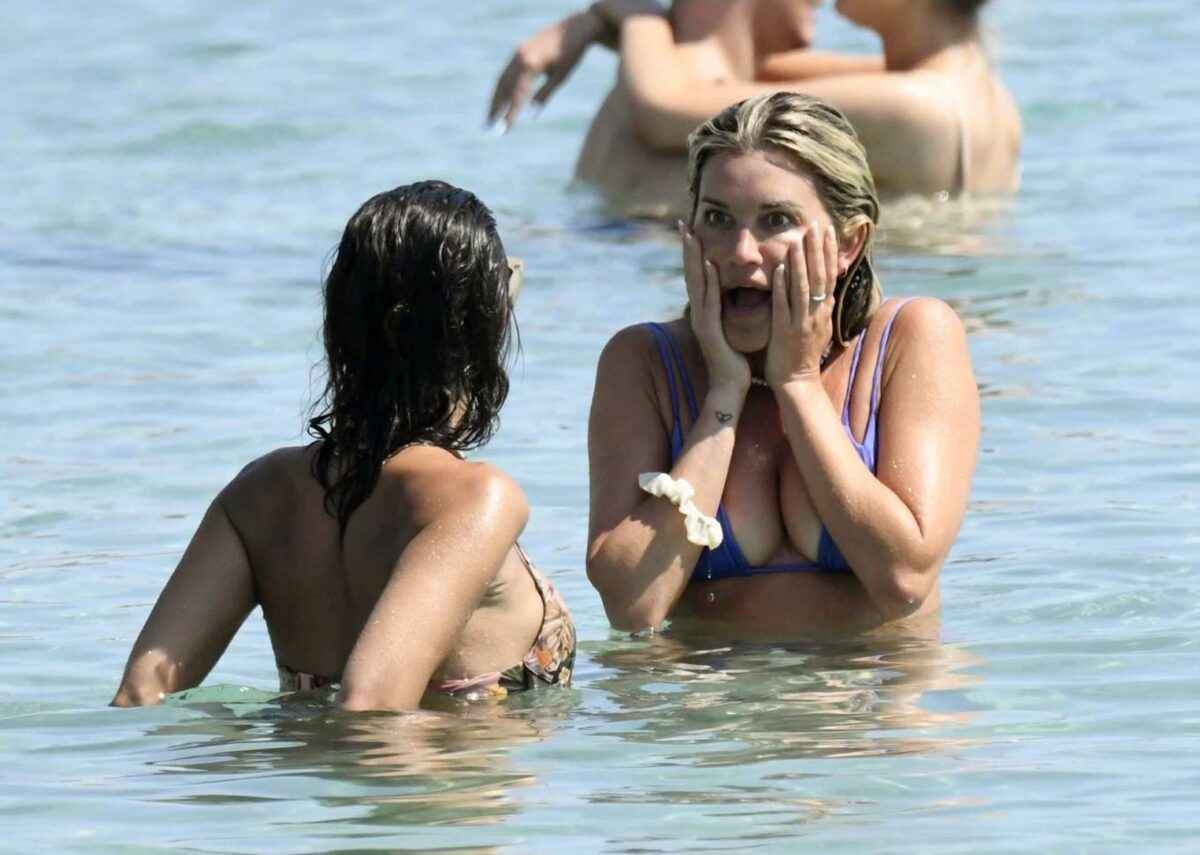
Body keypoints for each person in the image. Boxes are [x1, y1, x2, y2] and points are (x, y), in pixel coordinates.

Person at [112, 181, 576, 710]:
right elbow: (370, 703)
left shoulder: (259, 495)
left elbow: (141, 692)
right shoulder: (476, 498)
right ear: (477, 327)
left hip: (309, 767)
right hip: (427, 766)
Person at [586, 92, 980, 639]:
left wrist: (799, 384)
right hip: (700, 694)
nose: (741, 251)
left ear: (849, 243)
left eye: (775, 220)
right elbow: (632, 606)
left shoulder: (910, 339)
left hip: (877, 690)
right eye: (717, 218)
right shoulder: (644, 362)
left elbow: (903, 579)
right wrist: (723, 396)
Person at [489, 0, 1018, 216]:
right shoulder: (963, 88)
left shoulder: (912, 104)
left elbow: (665, 107)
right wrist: (596, 26)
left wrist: (632, 15)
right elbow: (739, 78)